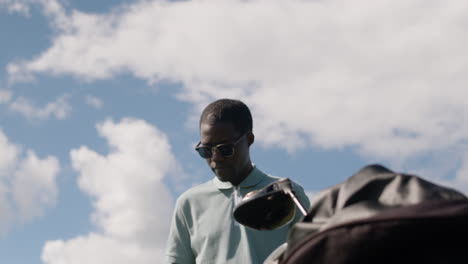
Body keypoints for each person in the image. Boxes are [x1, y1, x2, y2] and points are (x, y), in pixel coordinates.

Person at [165, 98, 310, 264]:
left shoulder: (288, 194)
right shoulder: (188, 204)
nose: (215, 158)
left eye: (225, 149)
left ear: (249, 140)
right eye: (206, 150)